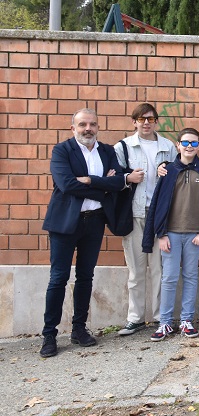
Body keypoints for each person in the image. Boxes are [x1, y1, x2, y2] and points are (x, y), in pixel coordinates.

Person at [40, 108, 143, 358]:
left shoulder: (107, 151)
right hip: (65, 223)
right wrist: (101, 185)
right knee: (58, 278)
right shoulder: (62, 151)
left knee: (86, 277)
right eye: (83, 124)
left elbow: (119, 182)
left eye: (92, 124)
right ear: (73, 128)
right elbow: (66, 184)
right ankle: (49, 335)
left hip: (95, 222)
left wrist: (91, 180)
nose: (88, 129)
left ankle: (79, 329)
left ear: (98, 127)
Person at [143, 129, 199, 341]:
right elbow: (159, 203)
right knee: (169, 278)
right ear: (177, 145)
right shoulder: (169, 170)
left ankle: (187, 320)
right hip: (171, 234)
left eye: (194, 144)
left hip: (195, 235)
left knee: (191, 276)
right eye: (185, 143)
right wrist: (161, 233)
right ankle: (165, 323)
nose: (189, 147)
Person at [114, 103, 178, 336]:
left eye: (150, 119)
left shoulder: (168, 147)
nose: (146, 123)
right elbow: (110, 177)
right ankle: (135, 318)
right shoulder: (123, 147)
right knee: (136, 269)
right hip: (135, 213)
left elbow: (178, 175)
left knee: (160, 269)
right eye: (141, 119)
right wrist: (127, 177)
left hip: (160, 215)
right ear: (134, 122)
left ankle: (162, 317)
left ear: (156, 122)